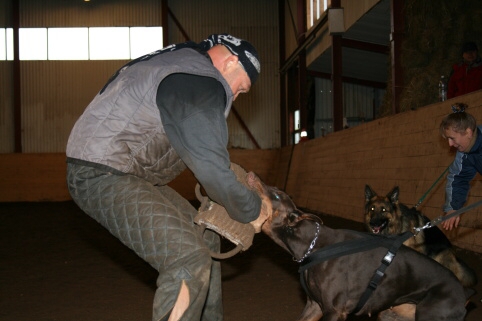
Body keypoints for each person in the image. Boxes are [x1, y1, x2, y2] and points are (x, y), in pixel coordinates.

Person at [66, 34, 269, 321]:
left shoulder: (183, 65)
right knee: (187, 258)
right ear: (232, 62)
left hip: (126, 171)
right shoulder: (197, 79)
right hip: (102, 172)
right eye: (242, 88)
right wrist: (252, 209)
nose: (236, 96)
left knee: (206, 238)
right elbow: (212, 170)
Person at [439, 103, 482, 231]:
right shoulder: (464, 154)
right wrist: (453, 208)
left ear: (468, 132)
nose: (450, 144)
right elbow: (458, 179)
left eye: (452, 138)